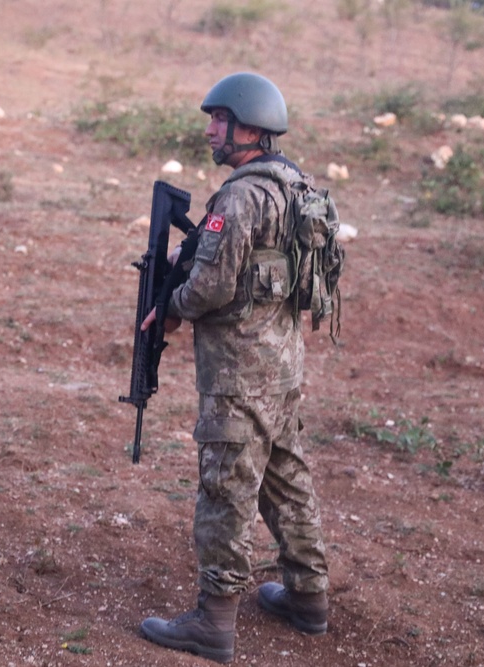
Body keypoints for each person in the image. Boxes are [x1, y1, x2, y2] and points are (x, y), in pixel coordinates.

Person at [137, 72, 331, 664]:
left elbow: (214, 286)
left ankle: (214, 622)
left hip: (238, 375)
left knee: (225, 488)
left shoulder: (240, 195)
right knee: (284, 477)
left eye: (219, 119)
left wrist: (167, 306)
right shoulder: (294, 182)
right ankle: (308, 599)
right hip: (281, 366)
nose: (210, 130)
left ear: (249, 126)